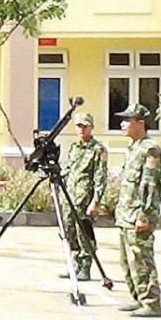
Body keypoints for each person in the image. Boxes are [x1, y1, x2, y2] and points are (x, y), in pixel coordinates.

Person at [115, 104, 161, 318]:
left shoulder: (150, 149)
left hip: (138, 215)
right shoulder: (134, 148)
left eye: (128, 120)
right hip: (126, 215)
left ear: (140, 123)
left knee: (142, 260)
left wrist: (143, 216)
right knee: (127, 261)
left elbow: (149, 185)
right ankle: (139, 298)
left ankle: (152, 303)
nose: (122, 124)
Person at [58, 113, 108, 282]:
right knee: (69, 231)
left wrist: (95, 202)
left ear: (91, 127)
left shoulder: (98, 150)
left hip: (84, 200)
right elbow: (67, 170)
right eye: (79, 126)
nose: (81, 129)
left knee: (84, 233)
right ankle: (74, 265)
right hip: (69, 197)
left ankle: (85, 266)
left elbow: (100, 178)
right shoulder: (74, 148)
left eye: (85, 126)